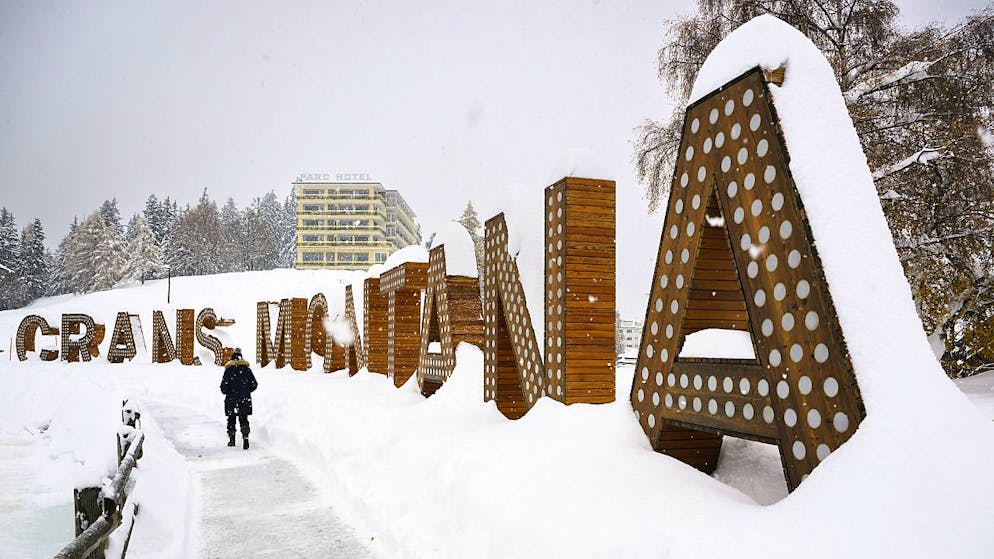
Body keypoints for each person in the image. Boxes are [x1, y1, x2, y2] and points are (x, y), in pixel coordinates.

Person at [220, 348, 257, 449]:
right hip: (244, 399)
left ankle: (232, 440)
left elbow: (223, 388)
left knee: (231, 419)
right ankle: (245, 437)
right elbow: (254, 384)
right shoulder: (247, 370)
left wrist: (230, 391)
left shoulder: (228, 371)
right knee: (244, 419)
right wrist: (246, 391)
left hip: (231, 400)